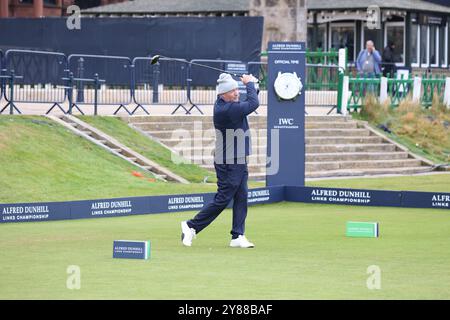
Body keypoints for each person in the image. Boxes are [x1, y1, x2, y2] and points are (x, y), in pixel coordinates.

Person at [180, 73, 260, 248]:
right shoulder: (227, 110)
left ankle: (237, 236)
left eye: (236, 90)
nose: (236, 93)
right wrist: (250, 83)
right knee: (224, 198)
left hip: (236, 159)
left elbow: (249, 102)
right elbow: (253, 103)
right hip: (228, 161)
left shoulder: (227, 105)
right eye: (232, 91)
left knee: (242, 196)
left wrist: (254, 86)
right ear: (222, 94)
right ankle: (191, 225)